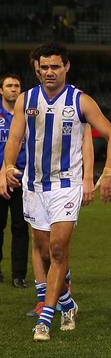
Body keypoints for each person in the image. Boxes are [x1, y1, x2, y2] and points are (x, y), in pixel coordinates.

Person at [3, 42, 111, 342]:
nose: (49, 72)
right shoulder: (26, 100)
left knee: (57, 249)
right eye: (44, 67)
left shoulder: (81, 101)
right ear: (36, 68)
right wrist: (6, 167)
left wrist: (106, 174)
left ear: (66, 66)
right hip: (33, 186)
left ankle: (45, 318)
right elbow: (15, 138)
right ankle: (67, 303)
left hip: (66, 187)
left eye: (55, 66)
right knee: (43, 251)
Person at [0, 74, 29, 288]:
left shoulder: (27, 114)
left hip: (22, 178)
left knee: (20, 227)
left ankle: (18, 275)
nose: (13, 89)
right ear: (1, 90)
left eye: (17, 86)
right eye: (9, 86)